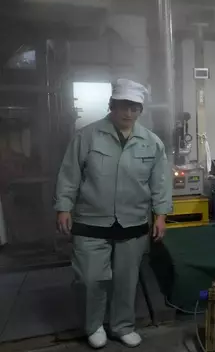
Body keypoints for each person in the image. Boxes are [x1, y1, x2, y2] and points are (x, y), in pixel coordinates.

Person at [54, 79, 172, 349]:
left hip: (133, 221)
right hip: (90, 220)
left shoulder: (151, 143)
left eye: (134, 107)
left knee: (126, 280)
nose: (128, 113)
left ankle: (122, 326)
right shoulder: (86, 136)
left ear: (141, 110)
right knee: (89, 278)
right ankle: (94, 326)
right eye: (122, 106)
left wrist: (161, 215)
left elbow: (160, 183)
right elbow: (69, 173)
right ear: (111, 106)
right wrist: (63, 206)